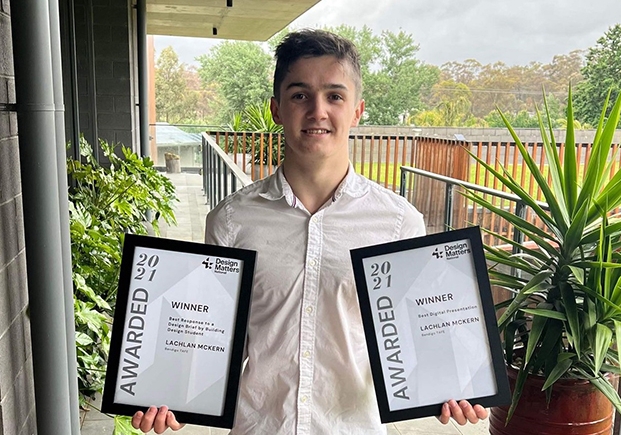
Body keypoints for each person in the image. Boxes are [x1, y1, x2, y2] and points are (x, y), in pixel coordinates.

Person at [132, 29, 488, 434]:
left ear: (357, 111)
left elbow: (420, 337)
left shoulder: (398, 222)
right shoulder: (231, 221)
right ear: (276, 109)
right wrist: (170, 390)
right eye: (300, 95)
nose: (318, 110)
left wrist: (451, 383)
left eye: (335, 96)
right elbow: (212, 337)